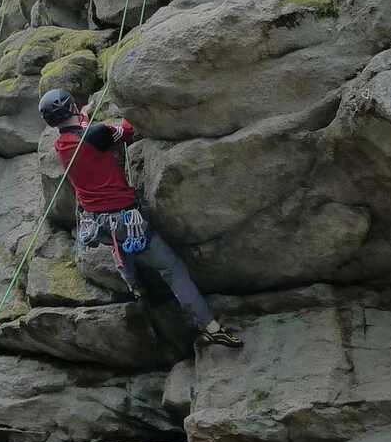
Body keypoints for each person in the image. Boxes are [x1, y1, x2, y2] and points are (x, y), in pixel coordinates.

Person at [39, 88, 243, 348]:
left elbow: (79, 134)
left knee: (120, 245)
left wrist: (84, 117)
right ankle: (211, 328)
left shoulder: (61, 144)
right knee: (173, 269)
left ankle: (136, 286)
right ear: (71, 107)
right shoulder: (98, 134)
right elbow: (127, 129)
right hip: (126, 221)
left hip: (97, 223)